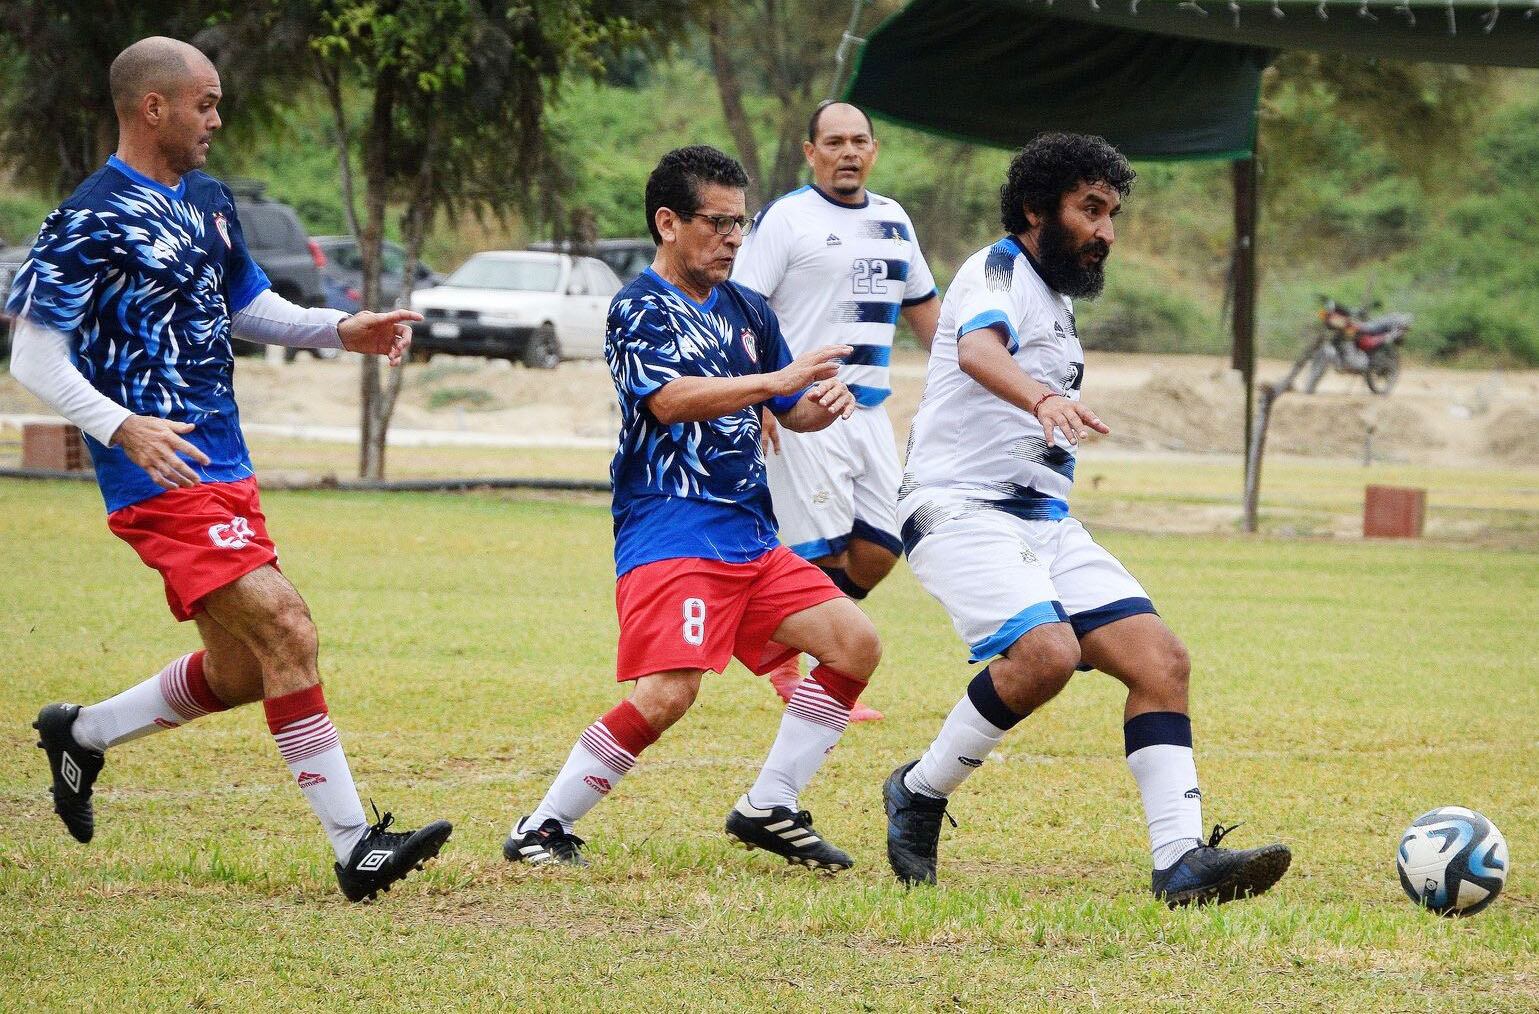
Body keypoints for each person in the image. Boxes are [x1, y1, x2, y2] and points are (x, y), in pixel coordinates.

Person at [7, 37, 451, 903]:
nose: (216, 119)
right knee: (287, 628)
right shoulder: (89, 216)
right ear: (153, 107)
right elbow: (34, 355)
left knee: (246, 668)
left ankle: (83, 734)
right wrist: (121, 426)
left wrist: (340, 328)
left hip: (225, 461)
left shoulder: (208, 199)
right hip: (159, 474)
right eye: (205, 103)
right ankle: (355, 843)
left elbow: (247, 304)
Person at [880, 133, 1291, 906]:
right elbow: (973, 350)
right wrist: (1040, 396)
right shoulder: (994, 270)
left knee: (1159, 662)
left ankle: (1178, 863)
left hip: (1042, 521)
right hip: (957, 507)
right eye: (1090, 209)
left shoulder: (1056, 298)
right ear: (1037, 209)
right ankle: (920, 790)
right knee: (1045, 655)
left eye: (1112, 213)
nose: (1106, 230)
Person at [504, 145, 881, 871]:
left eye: (741, 224)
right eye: (718, 222)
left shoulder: (746, 308)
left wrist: (819, 406)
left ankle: (769, 804)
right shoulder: (638, 307)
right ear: (668, 222)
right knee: (668, 695)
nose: (734, 239)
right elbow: (668, 400)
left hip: (749, 531)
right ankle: (542, 829)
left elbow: (789, 407)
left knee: (854, 643)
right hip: (672, 525)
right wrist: (778, 379)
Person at [733, 100, 940, 720]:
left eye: (859, 141)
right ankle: (802, 679)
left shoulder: (894, 219)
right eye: (834, 142)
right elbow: (740, 313)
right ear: (810, 152)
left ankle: (773, 636)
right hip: (803, 406)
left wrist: (972, 371)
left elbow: (927, 310)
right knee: (815, 548)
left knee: (882, 543)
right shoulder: (786, 219)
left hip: (870, 412)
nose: (848, 152)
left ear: (873, 150)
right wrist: (761, 395)